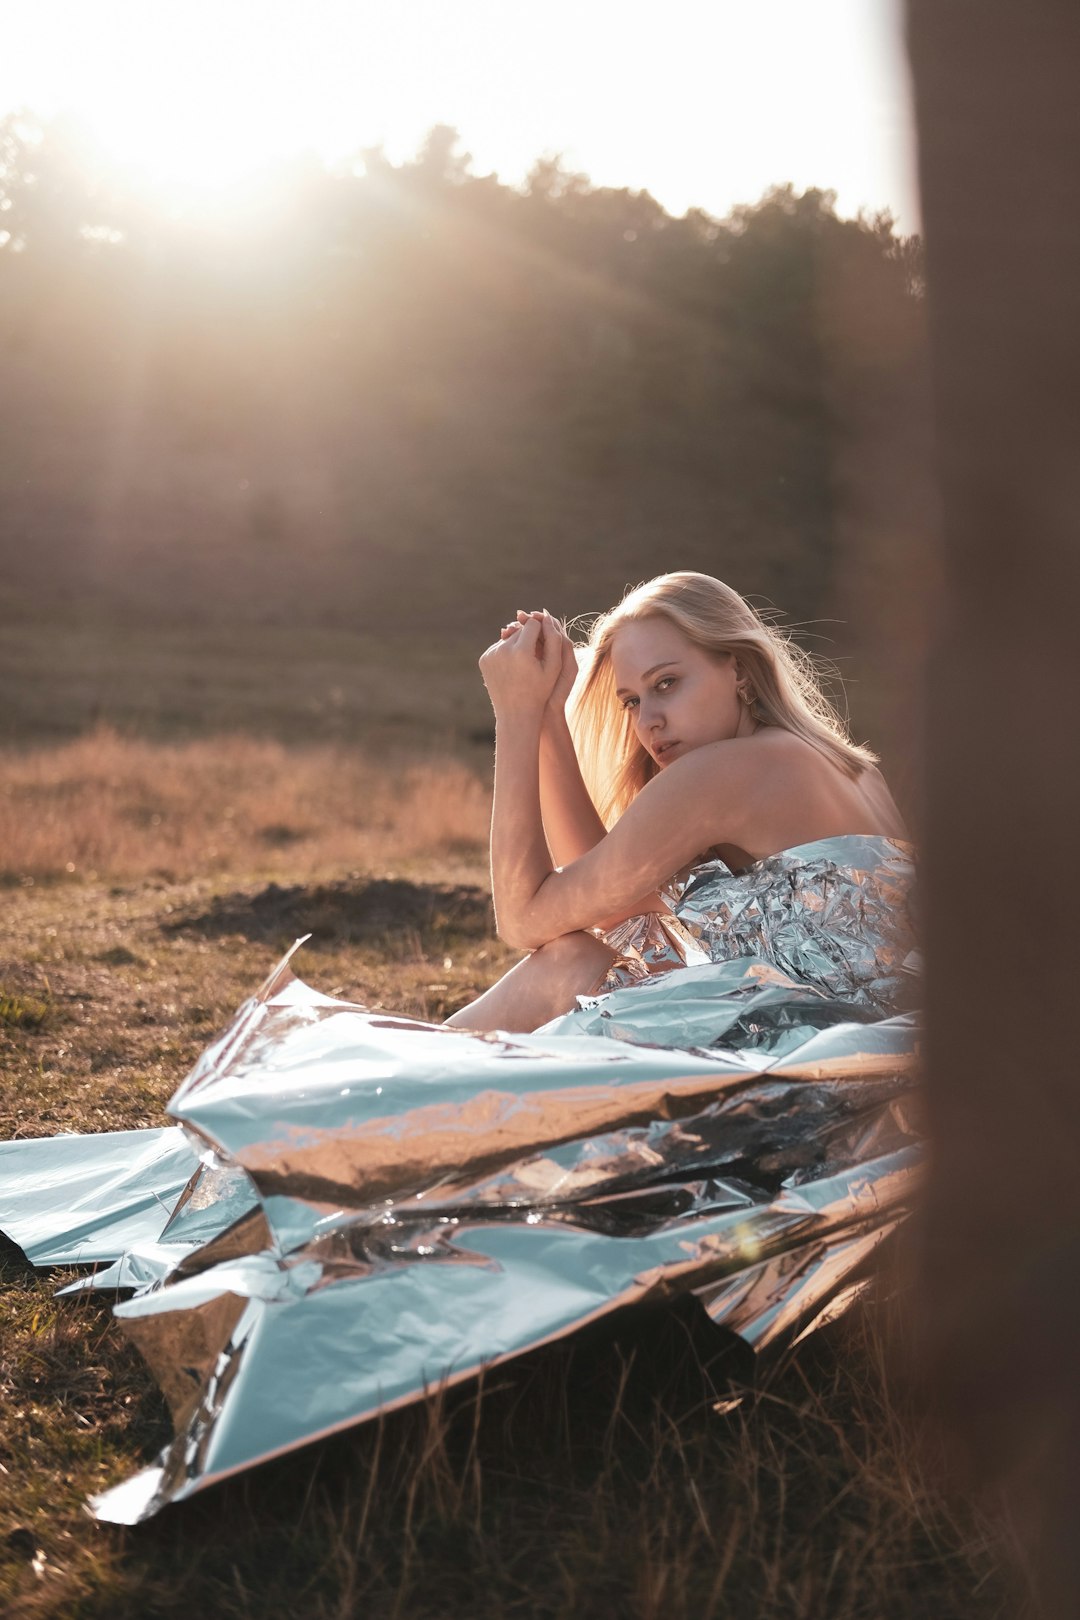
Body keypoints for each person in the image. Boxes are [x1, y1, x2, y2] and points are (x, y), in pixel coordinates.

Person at [446, 571, 908, 1034]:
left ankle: (408, 1092)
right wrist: (549, 714)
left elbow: (523, 920)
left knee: (564, 965)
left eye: (666, 683)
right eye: (631, 701)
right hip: (874, 1048)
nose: (649, 721)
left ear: (740, 670)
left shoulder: (726, 772)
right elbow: (613, 909)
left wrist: (515, 712)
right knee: (612, 950)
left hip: (811, 1052)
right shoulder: (855, 770)